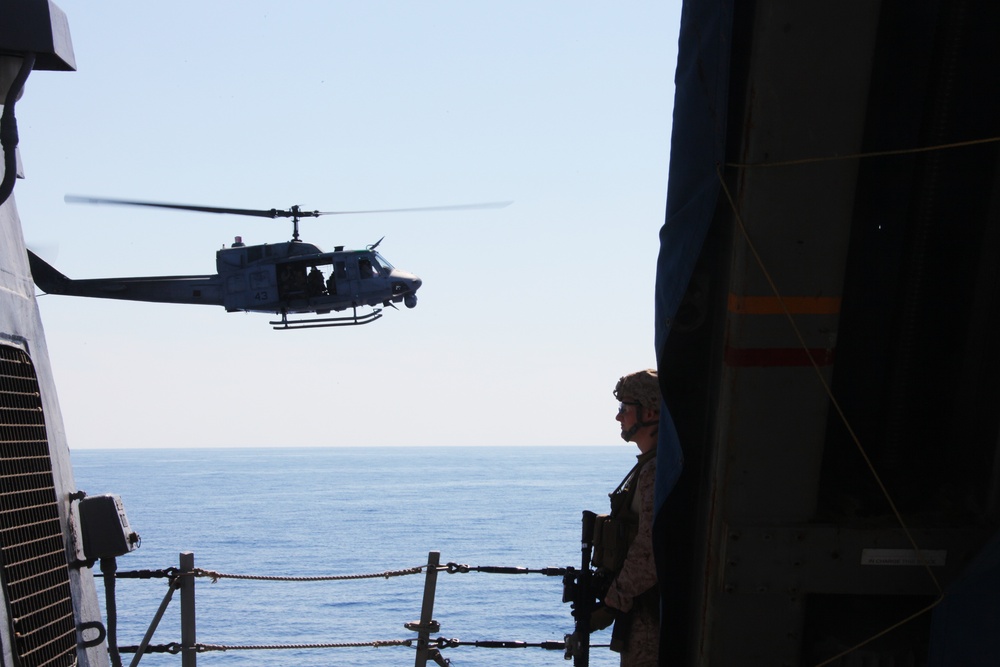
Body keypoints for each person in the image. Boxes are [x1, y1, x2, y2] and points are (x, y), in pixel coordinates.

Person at [591, 368, 661, 667]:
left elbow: (651, 550)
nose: (619, 417)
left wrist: (612, 602)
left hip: (648, 616)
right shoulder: (651, 467)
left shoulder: (656, 473)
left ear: (651, 412)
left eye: (625, 409)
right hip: (642, 611)